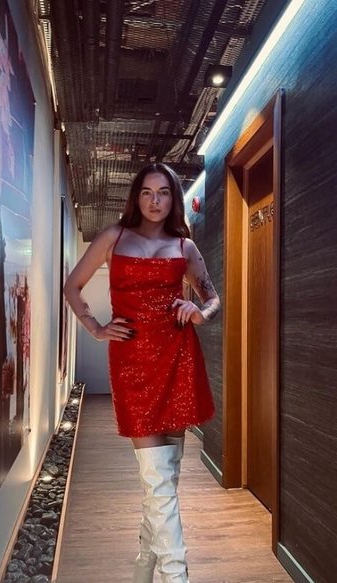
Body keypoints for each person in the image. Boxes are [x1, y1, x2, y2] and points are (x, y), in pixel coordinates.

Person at [64, 162, 220, 583]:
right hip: (132, 363)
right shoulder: (113, 237)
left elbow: (212, 297)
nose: (155, 201)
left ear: (173, 199)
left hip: (178, 358)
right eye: (147, 192)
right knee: (157, 477)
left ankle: (144, 565)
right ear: (136, 196)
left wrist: (200, 312)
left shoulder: (184, 246)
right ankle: (176, 574)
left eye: (164, 193)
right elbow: (72, 286)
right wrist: (95, 327)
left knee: (163, 480)